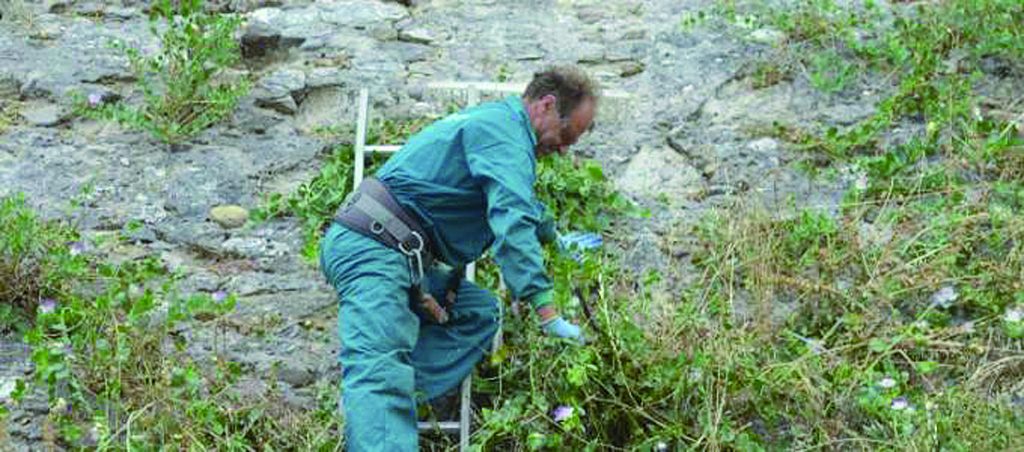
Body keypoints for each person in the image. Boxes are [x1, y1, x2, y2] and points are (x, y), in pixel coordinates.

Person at [318, 65, 599, 451]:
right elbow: (513, 221)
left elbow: (522, 204)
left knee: (477, 312)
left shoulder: (501, 130)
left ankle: (380, 404)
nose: (565, 149)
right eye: (567, 135)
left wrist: (555, 237)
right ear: (547, 106)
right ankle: (378, 401)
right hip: (372, 248)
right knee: (379, 372)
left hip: (400, 254)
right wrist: (546, 310)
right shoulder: (503, 134)